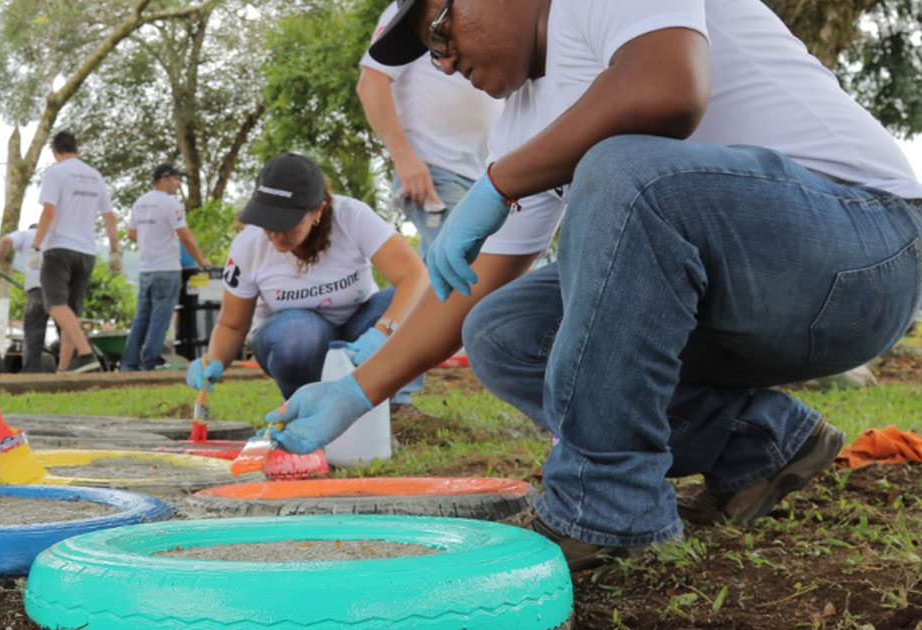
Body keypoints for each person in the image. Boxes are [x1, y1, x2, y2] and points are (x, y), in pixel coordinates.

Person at [263, 0, 922, 570]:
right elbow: (472, 288)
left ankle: (609, 509)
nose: (443, 61)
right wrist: (357, 389)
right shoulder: (524, 121)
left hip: (865, 252)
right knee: (503, 332)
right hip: (749, 304)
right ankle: (761, 444)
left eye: (441, 31)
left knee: (626, 169)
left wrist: (497, 183)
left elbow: (667, 88)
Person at [186, 153, 428, 401]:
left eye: (288, 223)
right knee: (300, 336)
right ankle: (305, 405)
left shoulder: (352, 217)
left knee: (417, 301)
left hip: (359, 328)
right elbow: (232, 323)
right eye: (268, 221)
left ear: (318, 211)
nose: (276, 234)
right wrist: (213, 359)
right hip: (294, 338)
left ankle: (393, 404)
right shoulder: (248, 246)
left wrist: (383, 331)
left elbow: (414, 276)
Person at [357, 1, 501, 258]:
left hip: (482, 171)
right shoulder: (412, 13)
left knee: (460, 273)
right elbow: (371, 83)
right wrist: (405, 160)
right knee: (469, 270)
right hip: (435, 169)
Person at [31, 131, 116, 372]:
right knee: (71, 312)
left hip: (59, 247)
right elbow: (110, 216)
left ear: (55, 152)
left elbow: (49, 212)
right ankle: (64, 369)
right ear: (77, 150)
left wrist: (36, 246)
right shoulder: (95, 176)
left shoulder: (56, 172)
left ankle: (86, 354)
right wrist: (115, 251)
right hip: (87, 252)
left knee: (55, 305)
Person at [121, 163, 210, 371]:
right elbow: (185, 235)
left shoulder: (139, 203)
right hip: (167, 269)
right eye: (176, 179)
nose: (178, 184)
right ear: (164, 179)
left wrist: (150, 240)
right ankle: (150, 362)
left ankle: (128, 363)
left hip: (146, 269)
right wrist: (201, 260)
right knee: (160, 319)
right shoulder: (171, 204)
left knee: (141, 318)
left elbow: (131, 234)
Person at [0, 223, 47, 372]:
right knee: (67, 331)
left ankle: (31, 373)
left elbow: (5, 241)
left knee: (33, 333)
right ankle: (68, 368)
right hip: (60, 289)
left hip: (37, 289)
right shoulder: (54, 236)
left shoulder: (25, 235)